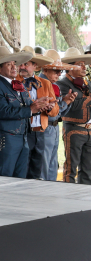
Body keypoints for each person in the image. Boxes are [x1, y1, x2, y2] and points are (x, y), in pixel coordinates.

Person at [0, 47, 51, 178]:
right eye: (9, 64)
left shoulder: (19, 84)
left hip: (23, 136)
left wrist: (38, 106)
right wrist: (31, 109)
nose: (14, 67)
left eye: (14, 64)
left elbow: (27, 108)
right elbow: (2, 112)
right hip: (8, 137)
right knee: (6, 176)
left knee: (20, 179)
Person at [17, 47, 59, 180]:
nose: (22, 67)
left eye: (26, 64)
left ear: (35, 66)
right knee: (23, 168)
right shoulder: (14, 82)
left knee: (38, 170)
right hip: (22, 131)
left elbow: (55, 111)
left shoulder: (46, 83)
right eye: (21, 64)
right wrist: (33, 106)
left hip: (41, 131)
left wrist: (49, 107)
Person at [36, 49, 77, 181]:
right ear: (45, 70)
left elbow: (58, 114)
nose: (59, 74)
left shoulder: (54, 86)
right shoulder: (40, 84)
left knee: (52, 164)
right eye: (56, 71)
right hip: (45, 128)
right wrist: (64, 103)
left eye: (60, 71)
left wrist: (66, 102)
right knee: (44, 165)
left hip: (52, 129)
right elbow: (52, 114)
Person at [55, 55, 91, 184]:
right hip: (73, 129)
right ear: (70, 67)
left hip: (89, 130)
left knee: (88, 169)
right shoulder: (62, 84)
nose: (83, 67)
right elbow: (71, 105)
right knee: (71, 168)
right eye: (79, 64)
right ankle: (68, 195)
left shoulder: (86, 82)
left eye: (84, 64)